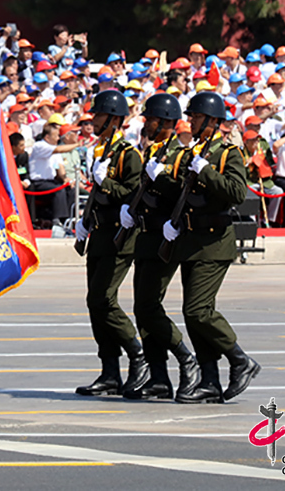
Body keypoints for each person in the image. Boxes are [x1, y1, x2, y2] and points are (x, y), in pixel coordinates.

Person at [160, 92, 260, 403]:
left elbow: (235, 192)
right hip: (190, 240)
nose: (189, 120)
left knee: (198, 310)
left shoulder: (228, 153)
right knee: (193, 315)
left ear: (211, 120)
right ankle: (209, 380)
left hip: (215, 242)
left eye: (195, 116)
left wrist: (205, 170)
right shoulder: (194, 152)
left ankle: (240, 359)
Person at [118, 93, 200, 400]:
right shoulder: (154, 151)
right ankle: (159, 376)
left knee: (149, 307)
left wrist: (162, 178)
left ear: (165, 122)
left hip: (163, 236)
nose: (146, 124)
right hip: (145, 235)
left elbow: (181, 193)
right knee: (142, 309)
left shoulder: (178, 154)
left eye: (151, 120)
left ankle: (184, 357)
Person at [74, 90, 148, 397]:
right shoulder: (102, 152)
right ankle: (109, 371)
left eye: (99, 116)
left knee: (104, 299)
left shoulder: (129, 154)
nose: (94, 120)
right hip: (100, 234)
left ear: (114, 120)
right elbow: (100, 194)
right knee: (94, 303)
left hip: (120, 237)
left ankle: (138, 355)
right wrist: (86, 218)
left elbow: (133, 194)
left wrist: (106, 182)